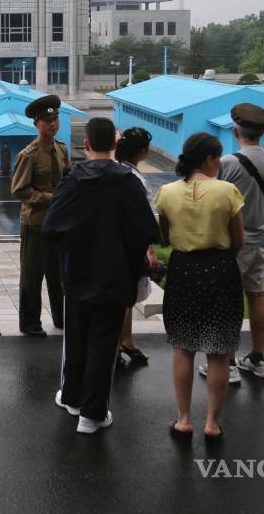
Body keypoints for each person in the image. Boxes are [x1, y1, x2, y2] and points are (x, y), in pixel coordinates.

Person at [43, 117, 159, 434]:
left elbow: (51, 226)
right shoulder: (128, 181)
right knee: (104, 344)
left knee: (76, 340)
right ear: (115, 145)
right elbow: (148, 229)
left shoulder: (72, 178)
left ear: (87, 145)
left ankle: (71, 398)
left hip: (77, 272)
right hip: (115, 275)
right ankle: (92, 415)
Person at [156, 133, 244, 443]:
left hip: (183, 271)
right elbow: (239, 240)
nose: (220, 164)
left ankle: (183, 420)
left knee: (183, 348)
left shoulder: (166, 193)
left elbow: (164, 236)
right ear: (208, 159)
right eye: (218, 158)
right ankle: (212, 423)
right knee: (219, 352)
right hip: (221, 270)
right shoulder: (227, 191)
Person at [199, 103, 264, 383]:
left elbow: (212, 197)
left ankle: (228, 362)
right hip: (261, 238)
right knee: (257, 295)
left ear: (235, 130)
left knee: (227, 300)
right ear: (262, 131)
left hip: (232, 242)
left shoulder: (229, 163)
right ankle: (258, 358)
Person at [10, 94, 70, 336]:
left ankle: (62, 318)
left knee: (59, 276)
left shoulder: (61, 149)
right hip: (35, 222)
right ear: (36, 124)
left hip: (59, 223)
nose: (53, 124)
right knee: (32, 278)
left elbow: (66, 180)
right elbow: (19, 190)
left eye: (55, 119)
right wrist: (50, 198)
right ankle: (30, 324)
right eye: (47, 121)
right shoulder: (29, 155)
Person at [113, 127, 160, 368]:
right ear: (142, 152)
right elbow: (145, 219)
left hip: (112, 244)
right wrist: (150, 252)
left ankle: (126, 341)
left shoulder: (115, 171)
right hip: (130, 247)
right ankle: (122, 344)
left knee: (125, 298)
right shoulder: (135, 179)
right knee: (125, 297)